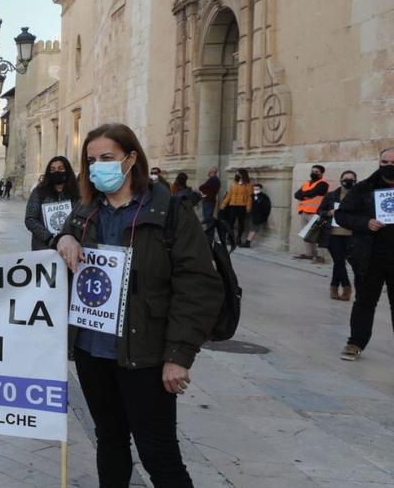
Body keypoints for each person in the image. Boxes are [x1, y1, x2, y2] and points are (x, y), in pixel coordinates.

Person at [55, 123, 222, 488]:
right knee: (109, 440)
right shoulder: (87, 209)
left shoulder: (170, 210)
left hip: (145, 353)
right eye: (92, 160)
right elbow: (61, 241)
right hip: (92, 349)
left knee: (158, 454)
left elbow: (198, 285)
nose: (98, 166)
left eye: (107, 158)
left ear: (131, 159)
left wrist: (179, 355)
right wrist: (65, 237)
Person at [336, 148, 394, 361]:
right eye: (385, 161)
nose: (389, 165)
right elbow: (342, 215)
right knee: (365, 301)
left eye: (393, 162)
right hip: (369, 257)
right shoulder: (364, 188)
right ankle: (355, 343)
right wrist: (364, 223)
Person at [24, 156, 79, 251]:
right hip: (44, 249)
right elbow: (30, 219)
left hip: (71, 247)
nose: (56, 172)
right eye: (52, 169)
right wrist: (50, 239)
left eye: (61, 168)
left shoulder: (78, 193)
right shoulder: (38, 192)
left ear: (67, 170)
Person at [319, 171, 359, 302]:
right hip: (333, 233)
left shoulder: (359, 196)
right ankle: (347, 287)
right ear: (341, 180)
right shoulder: (331, 196)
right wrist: (329, 212)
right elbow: (320, 211)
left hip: (351, 234)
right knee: (339, 261)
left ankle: (334, 287)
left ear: (355, 181)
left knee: (339, 262)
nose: (348, 181)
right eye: (346, 179)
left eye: (351, 179)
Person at [294, 164, 330, 263]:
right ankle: (309, 254)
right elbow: (296, 194)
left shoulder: (323, 184)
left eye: (316, 172)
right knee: (305, 234)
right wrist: (305, 195)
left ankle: (321, 257)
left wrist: (304, 195)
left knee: (317, 235)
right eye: (312, 171)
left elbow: (312, 193)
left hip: (315, 213)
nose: (313, 173)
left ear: (321, 173)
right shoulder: (306, 183)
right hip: (304, 212)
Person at [219, 168, 253, 247]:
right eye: (236, 173)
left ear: (243, 174)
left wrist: (248, 207)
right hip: (233, 205)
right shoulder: (234, 183)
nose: (237, 175)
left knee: (241, 223)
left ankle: (239, 238)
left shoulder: (248, 184)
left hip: (242, 206)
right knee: (231, 223)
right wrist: (223, 204)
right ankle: (230, 238)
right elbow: (229, 195)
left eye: (239, 173)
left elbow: (249, 197)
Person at [247, 181, 271, 247]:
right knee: (252, 228)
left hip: (259, 216)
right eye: (254, 189)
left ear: (261, 189)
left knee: (254, 229)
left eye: (257, 189)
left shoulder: (264, 197)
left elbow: (266, 207)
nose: (255, 190)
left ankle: (248, 242)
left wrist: (263, 216)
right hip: (253, 215)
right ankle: (247, 241)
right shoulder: (252, 196)